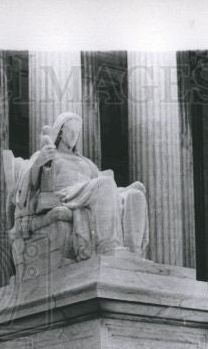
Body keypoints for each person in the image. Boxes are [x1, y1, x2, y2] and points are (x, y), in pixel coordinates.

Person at [12, 111, 149, 260]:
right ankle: (107, 246)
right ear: (60, 132)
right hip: (64, 195)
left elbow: (109, 192)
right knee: (104, 183)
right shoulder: (47, 154)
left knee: (136, 195)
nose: (74, 136)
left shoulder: (86, 162)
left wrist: (127, 189)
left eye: (77, 133)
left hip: (87, 193)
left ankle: (133, 252)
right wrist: (40, 161)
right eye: (70, 131)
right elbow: (28, 185)